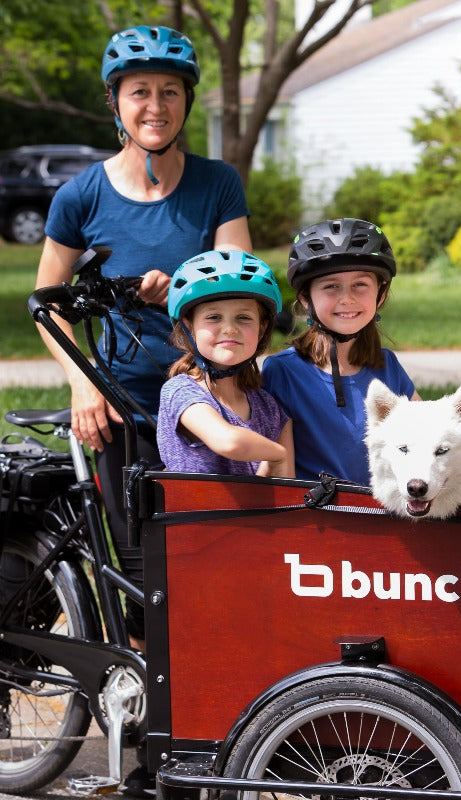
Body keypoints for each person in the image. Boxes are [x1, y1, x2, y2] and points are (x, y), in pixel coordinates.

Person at [34, 24, 252, 655]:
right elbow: (48, 307)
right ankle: (150, 718)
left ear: (186, 102)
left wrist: (182, 286)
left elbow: (240, 282)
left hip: (206, 397)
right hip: (123, 401)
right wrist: (82, 384)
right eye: (139, 92)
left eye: (169, 91)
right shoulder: (82, 195)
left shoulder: (217, 183)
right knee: (140, 573)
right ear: (115, 101)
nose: (155, 106)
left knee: (215, 552)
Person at [262, 218, 420, 485]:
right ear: (305, 298)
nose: (347, 298)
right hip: (317, 516)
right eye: (331, 286)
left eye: (360, 284)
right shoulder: (283, 371)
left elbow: (429, 431)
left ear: (380, 294)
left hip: (382, 512)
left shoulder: (387, 365)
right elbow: (279, 471)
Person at [158, 250, 294, 477]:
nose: (230, 329)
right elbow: (229, 441)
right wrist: (278, 455)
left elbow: (284, 489)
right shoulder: (181, 391)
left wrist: (277, 460)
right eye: (213, 317)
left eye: (244, 317)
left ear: (261, 328)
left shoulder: (270, 408)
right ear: (189, 326)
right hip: (195, 513)